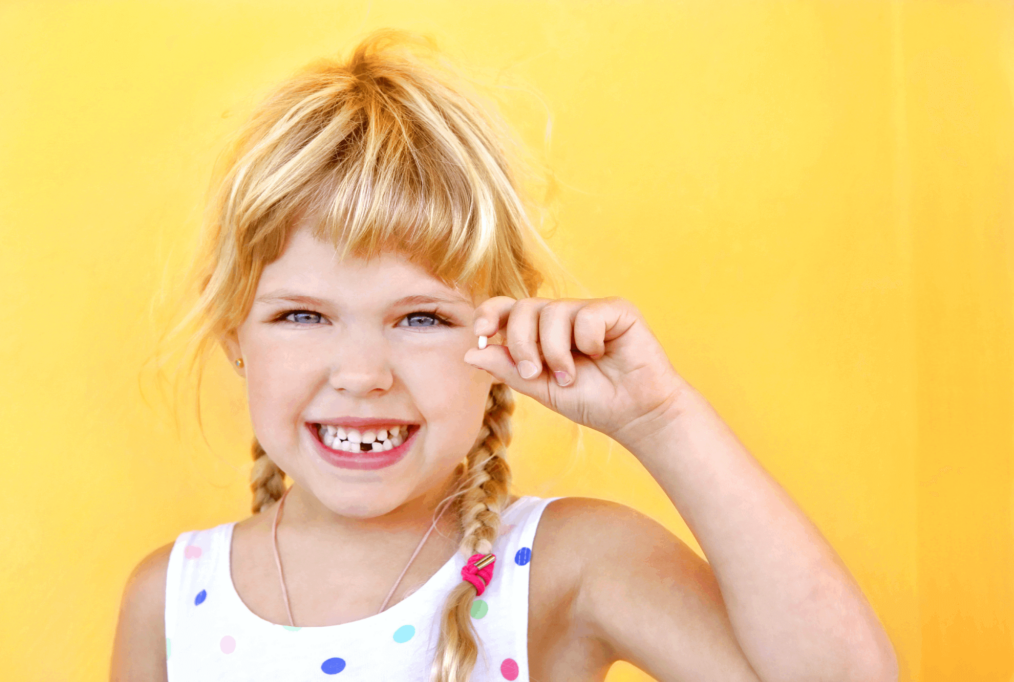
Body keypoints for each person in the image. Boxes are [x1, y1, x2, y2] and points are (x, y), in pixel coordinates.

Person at [110, 28, 898, 682]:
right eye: (304, 315)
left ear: (501, 331)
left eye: (421, 318)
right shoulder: (170, 600)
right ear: (233, 334)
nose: (361, 373)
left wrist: (663, 419)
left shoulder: (567, 565)